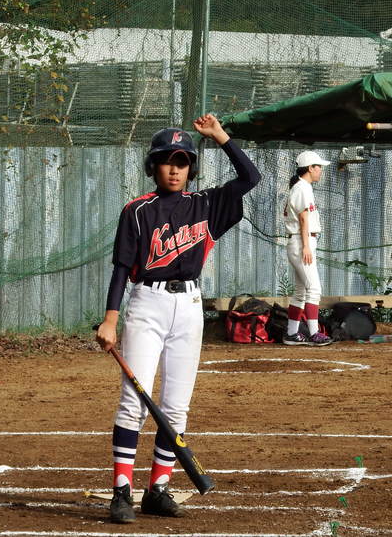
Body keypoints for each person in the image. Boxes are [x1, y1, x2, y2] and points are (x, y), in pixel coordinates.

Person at [95, 114, 261, 523]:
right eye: (167, 160)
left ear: (191, 167)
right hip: (147, 305)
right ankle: (121, 492)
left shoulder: (206, 205)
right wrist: (110, 319)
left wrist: (221, 137)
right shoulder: (136, 211)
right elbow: (121, 269)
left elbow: (250, 178)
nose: (174, 168)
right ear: (153, 166)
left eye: (183, 160)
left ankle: (159, 488)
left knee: (175, 406)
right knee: (133, 400)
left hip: (189, 308)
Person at [282, 151, 333, 346]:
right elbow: (303, 219)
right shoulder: (303, 188)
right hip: (302, 241)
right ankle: (314, 333)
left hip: (299, 240)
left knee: (301, 291)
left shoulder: (301, 187)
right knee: (314, 288)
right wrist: (306, 247)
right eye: (318, 166)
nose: (320, 170)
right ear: (310, 168)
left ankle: (292, 334)